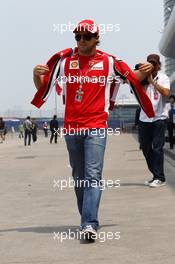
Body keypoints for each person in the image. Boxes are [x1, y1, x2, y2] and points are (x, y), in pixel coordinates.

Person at [32, 19, 154, 241]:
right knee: (79, 177)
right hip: (71, 128)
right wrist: (35, 74)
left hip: (96, 126)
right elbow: (44, 89)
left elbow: (132, 79)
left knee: (93, 176)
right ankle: (86, 218)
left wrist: (147, 70)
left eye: (86, 37)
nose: (80, 40)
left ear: (97, 38)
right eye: (77, 36)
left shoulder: (109, 62)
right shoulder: (65, 62)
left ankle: (89, 223)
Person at [138, 54, 170, 188]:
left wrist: (152, 82)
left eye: (154, 64)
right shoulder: (142, 78)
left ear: (158, 65)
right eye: (149, 63)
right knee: (145, 148)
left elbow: (165, 93)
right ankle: (155, 175)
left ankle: (159, 177)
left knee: (157, 149)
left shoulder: (163, 77)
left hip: (159, 118)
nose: (152, 66)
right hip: (144, 118)